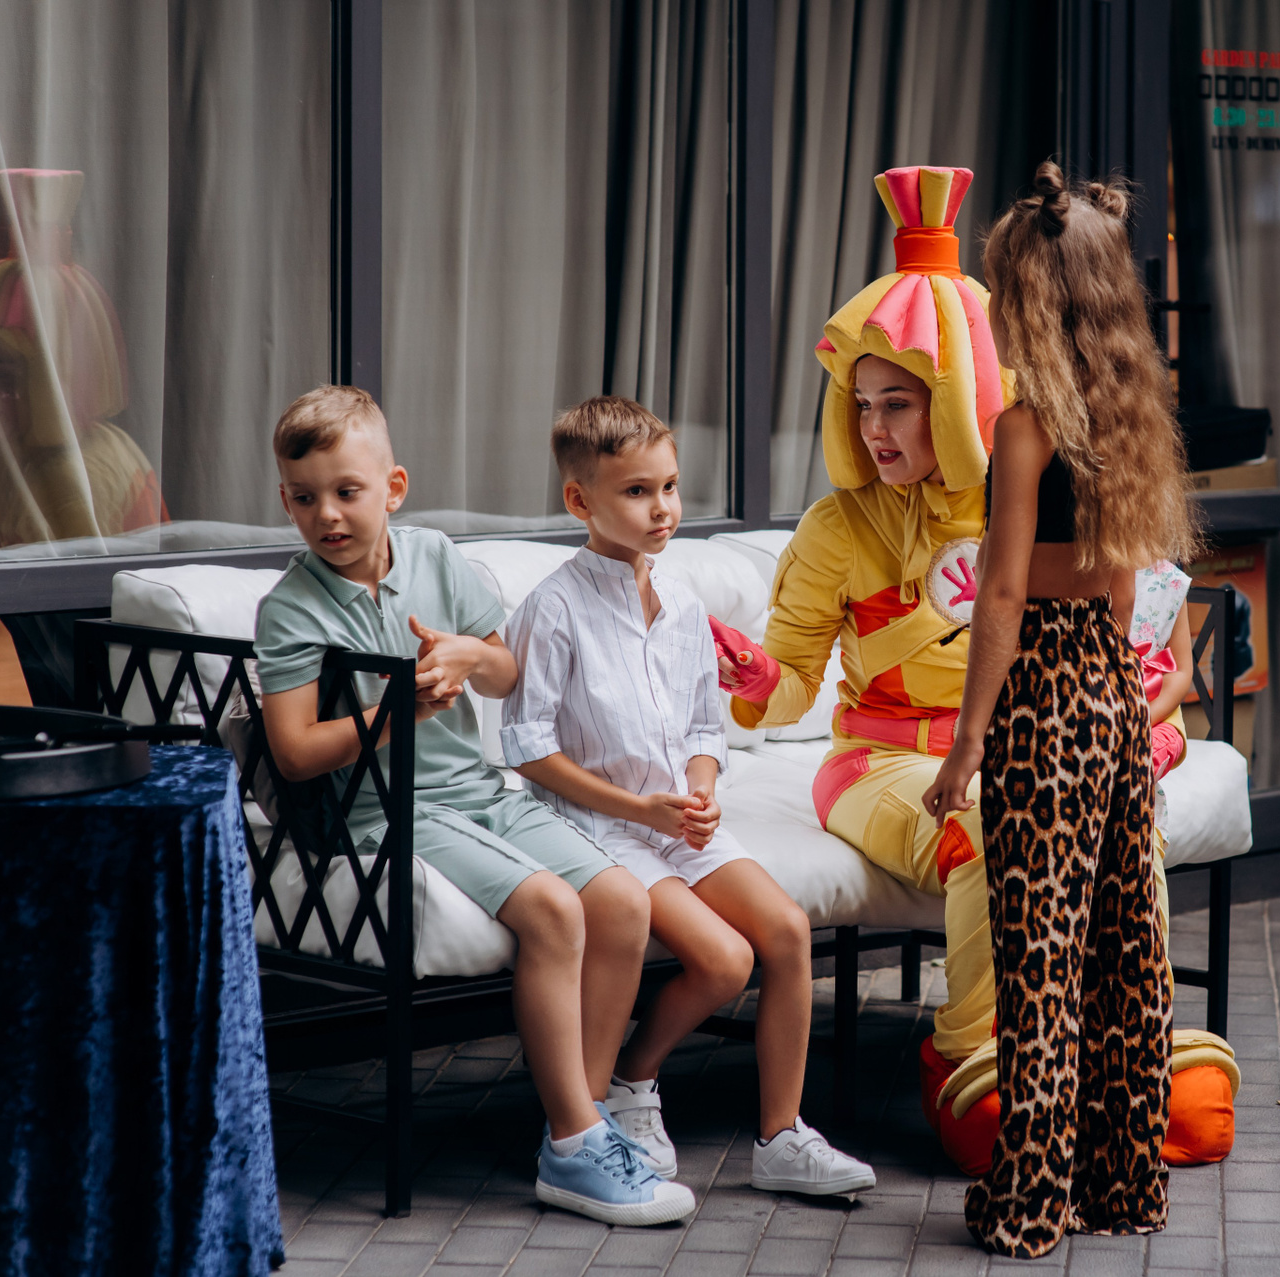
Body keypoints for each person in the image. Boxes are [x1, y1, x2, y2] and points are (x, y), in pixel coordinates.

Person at [254, 385, 692, 1228]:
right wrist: (395, 714)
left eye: (347, 491)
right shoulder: (291, 608)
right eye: (305, 498)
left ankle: (581, 1125)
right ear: (286, 499)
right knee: (554, 908)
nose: (327, 515)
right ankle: (575, 1138)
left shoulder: (435, 556)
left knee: (623, 901)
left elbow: (505, 673)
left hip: (480, 792)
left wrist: (463, 653)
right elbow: (295, 750)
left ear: (394, 487)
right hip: (385, 813)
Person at [706, 166, 1016, 1163]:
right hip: (875, 764)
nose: (874, 428)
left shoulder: (1024, 509)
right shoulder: (836, 529)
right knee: (993, 821)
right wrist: (761, 680)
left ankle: (1120, 1054)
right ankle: (975, 1069)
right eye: (863, 403)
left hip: (1002, 749)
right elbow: (794, 679)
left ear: (962, 401)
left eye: (902, 404)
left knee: (1096, 813)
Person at [921, 162, 1202, 1258]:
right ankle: (1123, 1182)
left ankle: (1032, 1198)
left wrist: (968, 743)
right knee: (1126, 949)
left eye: (1002, 289)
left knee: (1040, 960)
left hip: (1042, 697)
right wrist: (1118, 692)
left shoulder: (1028, 426)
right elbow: (1123, 588)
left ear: (1030, 297)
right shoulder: (1130, 414)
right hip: (1112, 694)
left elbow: (999, 596)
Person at [501, 396, 876, 1197]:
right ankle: (628, 1083)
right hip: (601, 825)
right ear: (580, 500)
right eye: (637, 491)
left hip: (678, 819)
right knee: (725, 959)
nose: (662, 507)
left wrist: (701, 789)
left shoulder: (682, 606)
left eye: (668, 487)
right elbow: (528, 747)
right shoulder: (554, 607)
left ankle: (781, 1136)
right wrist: (642, 810)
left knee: (785, 930)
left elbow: (707, 725)